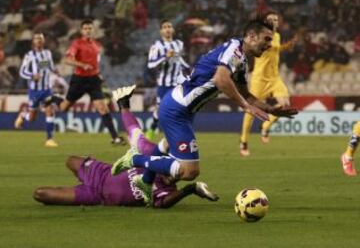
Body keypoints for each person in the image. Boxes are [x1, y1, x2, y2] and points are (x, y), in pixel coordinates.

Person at [112, 19, 298, 204]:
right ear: (251, 36)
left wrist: (271, 109)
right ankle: (136, 159)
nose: (269, 45)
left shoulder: (240, 60)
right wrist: (244, 106)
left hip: (182, 109)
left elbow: (246, 95)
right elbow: (221, 79)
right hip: (176, 109)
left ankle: (145, 180)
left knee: (167, 146)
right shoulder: (234, 51)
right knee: (189, 171)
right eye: (266, 39)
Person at [33, 86, 218, 207]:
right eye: (173, 173)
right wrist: (124, 107)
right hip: (101, 172)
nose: (173, 178)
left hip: (96, 196)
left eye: (177, 178)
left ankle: (82, 184)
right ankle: (122, 108)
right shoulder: (153, 157)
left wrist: (191, 189)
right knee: (70, 160)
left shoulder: (167, 192)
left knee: (40, 194)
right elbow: (138, 136)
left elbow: (163, 204)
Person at [46, 19, 125, 145]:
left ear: (93, 30)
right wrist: (82, 65)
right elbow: (67, 60)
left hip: (93, 80)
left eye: (90, 28)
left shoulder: (97, 45)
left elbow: (95, 63)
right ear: (82, 31)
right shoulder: (76, 44)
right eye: (86, 28)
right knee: (64, 107)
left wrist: (98, 74)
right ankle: (54, 99)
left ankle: (115, 138)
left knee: (103, 108)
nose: (88, 30)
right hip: (79, 80)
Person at [240, 12, 297, 156]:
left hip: (274, 78)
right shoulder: (261, 36)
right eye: (271, 19)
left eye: (276, 19)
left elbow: (276, 48)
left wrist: (287, 46)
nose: (274, 21)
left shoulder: (277, 36)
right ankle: (244, 141)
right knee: (250, 111)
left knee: (284, 105)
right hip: (259, 79)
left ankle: (265, 126)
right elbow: (264, 48)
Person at [145, 19, 190, 141]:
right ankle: (152, 128)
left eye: (169, 26)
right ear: (161, 31)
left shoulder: (179, 44)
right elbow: (150, 64)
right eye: (164, 27)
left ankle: (175, 135)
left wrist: (189, 69)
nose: (167, 29)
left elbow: (180, 60)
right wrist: (165, 56)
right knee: (160, 110)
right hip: (164, 84)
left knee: (178, 109)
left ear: (173, 29)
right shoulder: (157, 46)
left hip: (177, 83)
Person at [14, 33, 59, 147]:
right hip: (34, 90)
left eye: (40, 39)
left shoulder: (47, 53)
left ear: (43, 41)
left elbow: (49, 66)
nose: (38, 40)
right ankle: (24, 115)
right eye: (36, 39)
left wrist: (55, 70)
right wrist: (32, 76)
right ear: (33, 42)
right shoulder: (29, 55)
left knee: (50, 111)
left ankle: (49, 139)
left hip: (46, 89)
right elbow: (22, 71)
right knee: (32, 118)